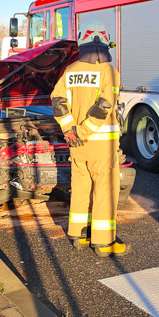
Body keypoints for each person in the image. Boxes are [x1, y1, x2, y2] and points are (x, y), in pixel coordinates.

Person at [51, 19, 128, 257]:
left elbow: (58, 101)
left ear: (81, 44)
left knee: (81, 187)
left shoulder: (70, 71)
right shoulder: (108, 71)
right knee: (104, 191)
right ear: (104, 43)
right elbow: (104, 106)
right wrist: (82, 132)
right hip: (100, 146)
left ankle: (79, 234)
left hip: (77, 145)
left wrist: (70, 131)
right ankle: (104, 243)